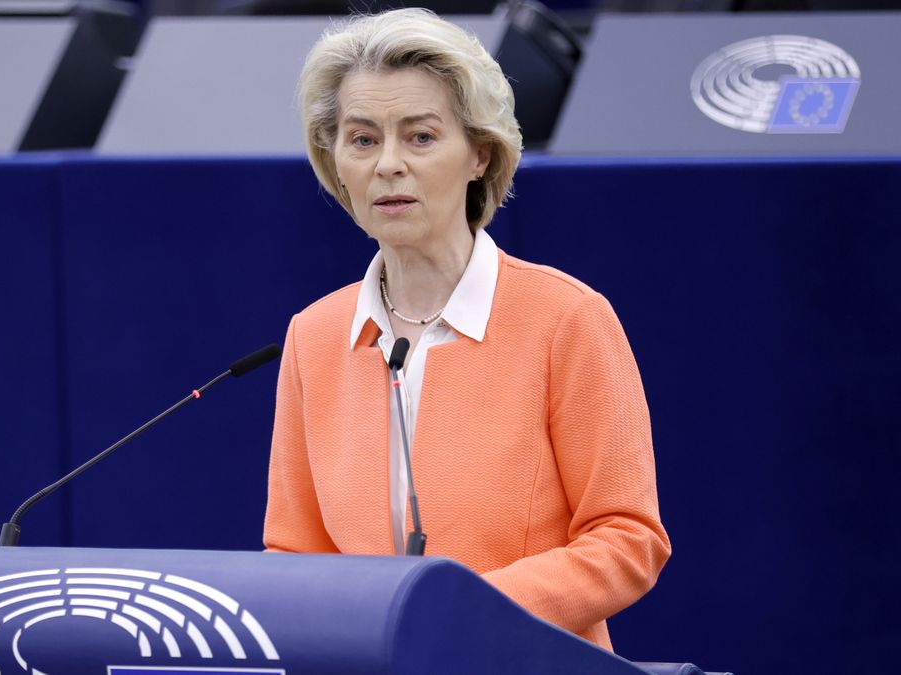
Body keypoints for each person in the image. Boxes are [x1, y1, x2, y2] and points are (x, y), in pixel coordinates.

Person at [262, 8, 670, 650]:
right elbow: (294, 554)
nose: (388, 164)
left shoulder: (567, 318)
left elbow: (627, 539)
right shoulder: (313, 335)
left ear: (480, 153)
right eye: (362, 140)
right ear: (334, 161)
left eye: (421, 137)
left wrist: (461, 617)